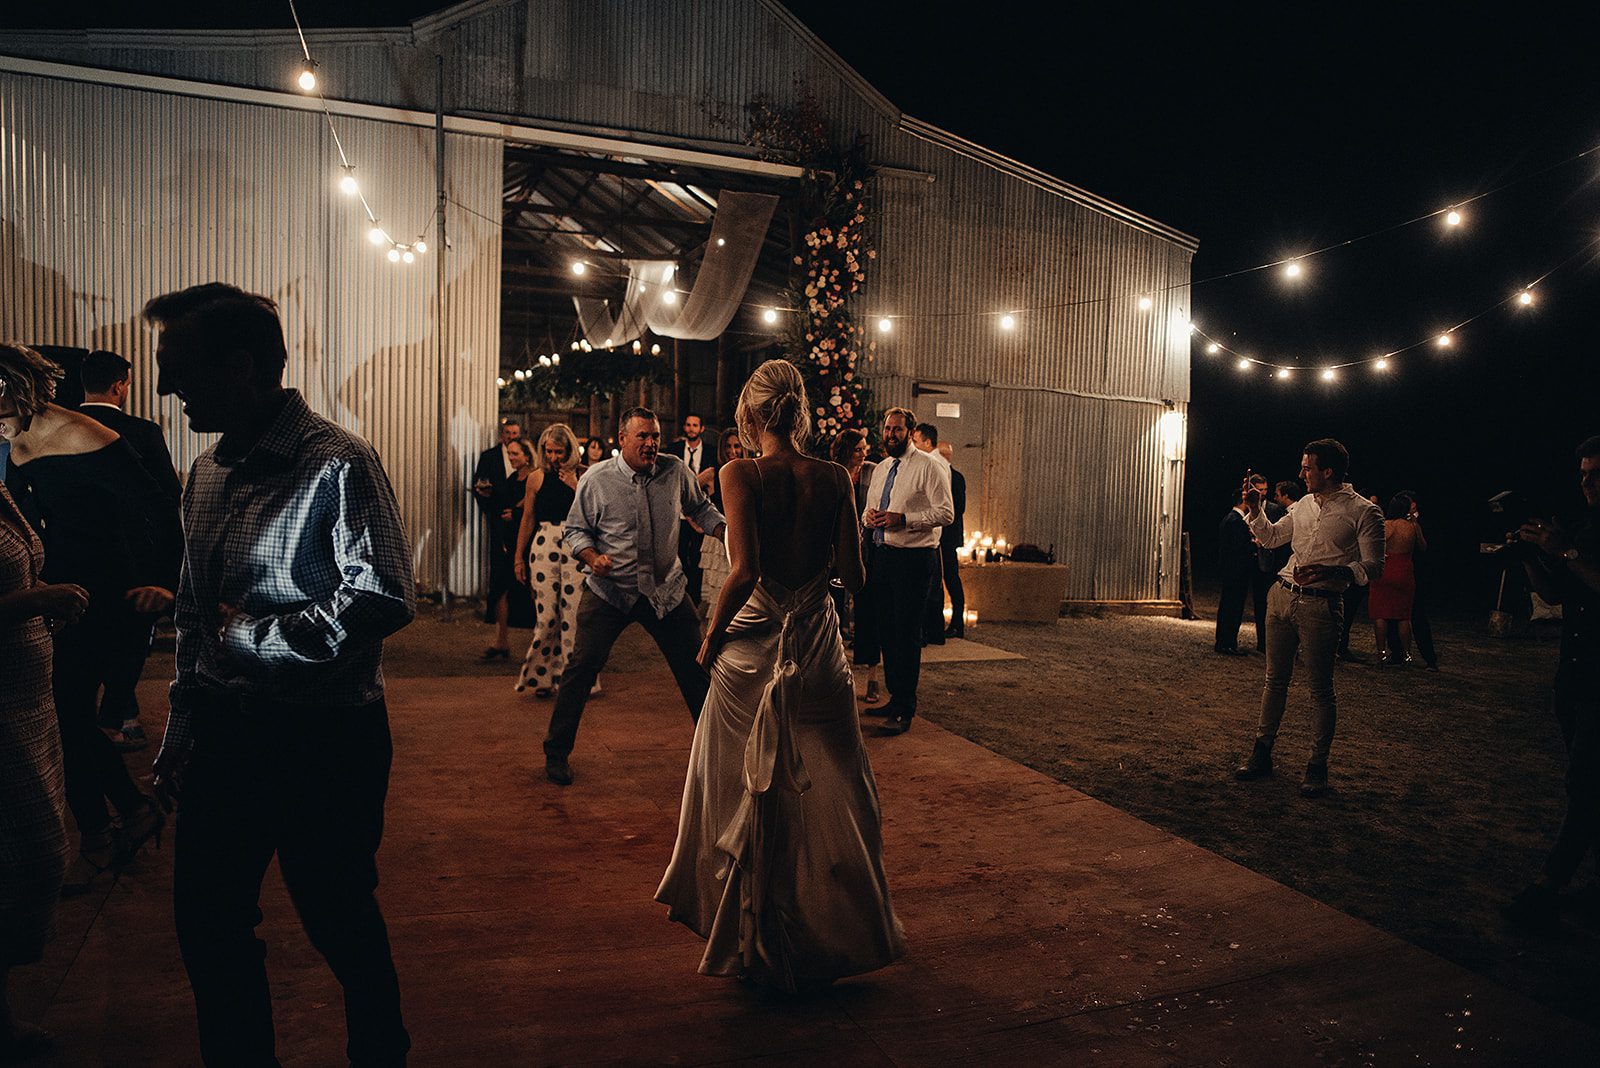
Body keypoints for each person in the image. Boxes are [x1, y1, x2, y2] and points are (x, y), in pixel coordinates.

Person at [144, 283, 414, 1065]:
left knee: (337, 918)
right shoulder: (204, 475)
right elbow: (196, 623)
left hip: (324, 739)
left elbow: (383, 594)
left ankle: (380, 1053)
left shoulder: (337, 463)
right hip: (228, 737)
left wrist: (257, 641)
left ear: (240, 367)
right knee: (208, 922)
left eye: (178, 367)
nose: (166, 388)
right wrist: (180, 736)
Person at [656, 358, 905, 990]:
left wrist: (710, 638)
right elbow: (854, 575)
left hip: (752, 651)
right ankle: (832, 929)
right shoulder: (832, 477)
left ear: (750, 413)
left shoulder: (740, 472)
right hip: (818, 647)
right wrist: (816, 584)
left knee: (740, 786)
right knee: (835, 783)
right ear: (798, 412)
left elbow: (743, 570)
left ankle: (751, 933)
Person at [1, 343, 174, 895]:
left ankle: (112, 825)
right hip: (61, 593)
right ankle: (114, 823)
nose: (0, 426)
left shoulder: (83, 434)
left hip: (109, 593)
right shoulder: (18, 439)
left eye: (1, 411)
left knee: (67, 712)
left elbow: (157, 507)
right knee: (65, 714)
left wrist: (164, 580)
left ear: (17, 389)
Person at [541, 407, 725, 786]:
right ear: (622, 439)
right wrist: (592, 558)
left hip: (666, 592)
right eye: (642, 436)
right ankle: (556, 753)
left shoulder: (674, 471)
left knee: (697, 668)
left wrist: (724, 529)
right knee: (581, 667)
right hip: (611, 592)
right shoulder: (596, 480)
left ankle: (719, 753)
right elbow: (576, 531)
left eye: (655, 436)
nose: (651, 443)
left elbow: (700, 509)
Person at [1234, 439, 1384, 797]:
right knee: (1274, 680)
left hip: (1321, 606)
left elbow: (1374, 567)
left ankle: (1317, 767)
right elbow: (1270, 540)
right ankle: (1261, 754)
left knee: (1320, 690)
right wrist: (1255, 511)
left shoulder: (1364, 512)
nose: (1301, 473)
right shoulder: (1302, 505)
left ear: (1327, 471)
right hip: (1282, 597)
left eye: (1307, 467)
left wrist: (1338, 572)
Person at [1504, 436, 1600, 932]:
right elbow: (1556, 592)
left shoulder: (1580, 536)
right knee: (1586, 783)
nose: (1587, 482)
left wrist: (1564, 549)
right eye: (1583, 473)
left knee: (1584, 782)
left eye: (1596, 474)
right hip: (1576, 672)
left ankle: (1549, 884)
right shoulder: (1585, 527)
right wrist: (1524, 555)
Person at [0, 480, 81, 1061]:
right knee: (27, 855)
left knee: (31, 853)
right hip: (2, 704)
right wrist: (30, 603)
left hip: (26, 695)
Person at [76, 349, 185, 752]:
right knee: (129, 640)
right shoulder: (142, 432)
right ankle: (115, 717)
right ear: (120, 385)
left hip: (73, 561)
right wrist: (168, 573)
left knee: (84, 644)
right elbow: (168, 499)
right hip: (133, 559)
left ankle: (96, 720)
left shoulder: (55, 428)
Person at [861, 408, 955, 735]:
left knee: (906, 633)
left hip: (914, 559)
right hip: (883, 556)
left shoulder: (929, 467)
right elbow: (868, 509)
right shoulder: (883, 468)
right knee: (886, 630)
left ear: (910, 432)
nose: (890, 434)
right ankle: (894, 696)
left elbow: (946, 512)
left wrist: (904, 519)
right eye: (887, 429)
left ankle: (905, 708)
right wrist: (868, 518)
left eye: (898, 430)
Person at [515, 423, 585, 697]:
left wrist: (576, 485)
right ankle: (540, 677)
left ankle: (571, 680)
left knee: (573, 615)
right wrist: (518, 558)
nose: (553, 456)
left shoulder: (584, 475)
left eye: (558, 451)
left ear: (569, 451)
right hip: (544, 543)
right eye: (549, 451)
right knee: (546, 617)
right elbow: (527, 518)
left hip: (575, 543)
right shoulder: (536, 478)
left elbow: (594, 512)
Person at [831, 429, 883, 705]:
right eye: (857, 450)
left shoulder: (873, 472)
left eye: (865, 449)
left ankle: (872, 678)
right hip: (836, 551)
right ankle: (837, 674)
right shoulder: (834, 473)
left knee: (869, 613)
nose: (863, 454)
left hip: (867, 550)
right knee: (834, 611)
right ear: (845, 451)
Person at [473, 417, 522, 659]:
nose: (512, 436)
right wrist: (489, 504)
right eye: (508, 433)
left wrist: (518, 512)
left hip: (521, 529)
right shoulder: (489, 457)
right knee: (500, 581)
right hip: (500, 527)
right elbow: (480, 485)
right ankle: (501, 639)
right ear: (502, 435)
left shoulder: (529, 473)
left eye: (516, 433)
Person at [482, 438, 536, 659]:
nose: (512, 458)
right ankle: (501, 640)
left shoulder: (534, 478)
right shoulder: (513, 478)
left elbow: (531, 510)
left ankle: (541, 641)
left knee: (534, 591)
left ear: (527, 455)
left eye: (516, 454)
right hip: (510, 540)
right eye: (510, 454)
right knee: (500, 589)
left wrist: (514, 513)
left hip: (528, 542)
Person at [911, 423, 960, 645]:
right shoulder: (935, 463)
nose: (913, 445)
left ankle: (929, 632)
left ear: (927, 443)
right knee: (933, 586)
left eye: (916, 441)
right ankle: (934, 632)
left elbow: (942, 506)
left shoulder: (934, 464)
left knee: (931, 587)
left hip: (934, 533)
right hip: (935, 533)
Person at [1368, 492, 1427, 665]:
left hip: (1385, 570)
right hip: (1404, 570)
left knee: (1380, 614)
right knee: (1404, 616)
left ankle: (1382, 654)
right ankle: (1407, 654)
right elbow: (1423, 547)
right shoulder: (1412, 527)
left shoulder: (1385, 525)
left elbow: (1372, 546)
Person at [695, 427, 745, 615]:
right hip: (719, 537)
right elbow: (686, 493)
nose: (733, 451)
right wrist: (696, 521)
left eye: (737, 446)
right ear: (721, 449)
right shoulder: (713, 472)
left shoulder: (748, 469)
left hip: (742, 535)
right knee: (721, 594)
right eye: (728, 446)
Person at [666, 414, 714, 605]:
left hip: (699, 514)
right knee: (677, 556)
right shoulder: (674, 450)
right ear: (684, 428)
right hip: (677, 514)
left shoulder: (710, 452)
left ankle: (694, 601)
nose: (691, 428)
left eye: (695, 425)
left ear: (701, 428)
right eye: (688, 425)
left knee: (696, 558)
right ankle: (678, 597)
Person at [1248, 476, 1294, 652]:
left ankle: (1270, 643)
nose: (1263, 494)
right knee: (1259, 605)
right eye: (1259, 490)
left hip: (1271, 563)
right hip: (1254, 562)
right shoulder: (1248, 507)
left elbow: (1278, 537)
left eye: (1265, 490)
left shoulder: (1275, 509)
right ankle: (1262, 642)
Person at [1215, 491, 1255, 655]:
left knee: (1226, 606)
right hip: (1237, 571)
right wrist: (1255, 545)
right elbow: (1239, 548)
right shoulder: (1237, 521)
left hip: (1229, 570)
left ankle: (1223, 641)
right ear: (1244, 502)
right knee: (1234, 607)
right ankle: (1228, 643)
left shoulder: (1228, 518)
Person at [935, 441, 968, 639]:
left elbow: (958, 508)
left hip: (947, 537)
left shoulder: (954, 478)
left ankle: (957, 622)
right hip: (947, 536)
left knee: (951, 579)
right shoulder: (956, 476)